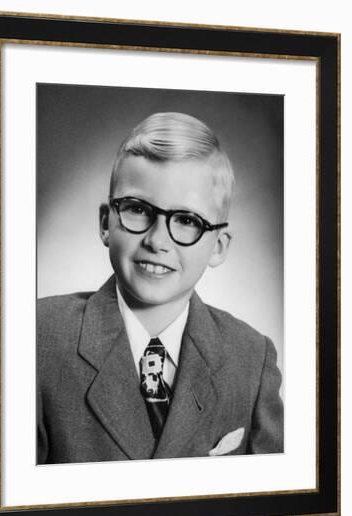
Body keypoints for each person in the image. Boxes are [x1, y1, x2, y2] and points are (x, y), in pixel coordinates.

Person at [37, 112, 283, 464]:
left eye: (187, 221)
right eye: (138, 209)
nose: (157, 240)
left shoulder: (251, 357)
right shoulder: (38, 337)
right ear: (106, 223)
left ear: (218, 246)